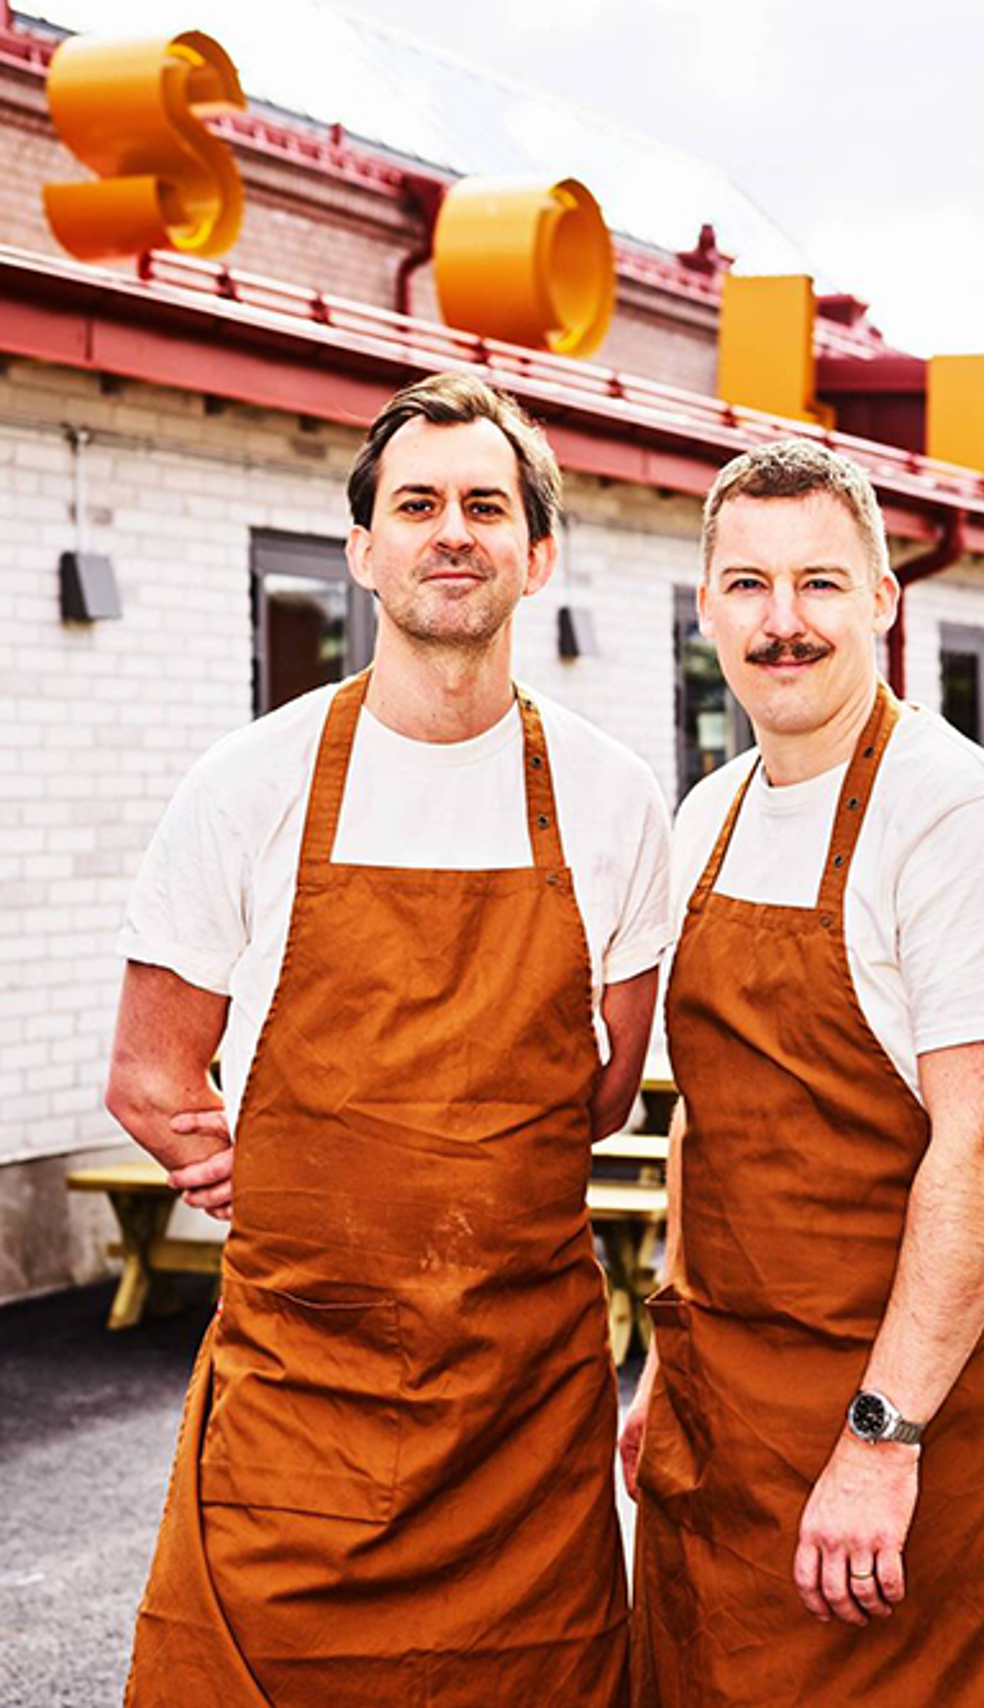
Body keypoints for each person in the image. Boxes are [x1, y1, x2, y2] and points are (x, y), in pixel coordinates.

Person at [106, 372, 671, 1708]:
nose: (452, 530)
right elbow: (145, 1070)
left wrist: (426, 1168)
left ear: (538, 553)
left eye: (487, 503)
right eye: (416, 504)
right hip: (301, 1390)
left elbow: (608, 1086)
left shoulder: (611, 797)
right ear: (363, 550)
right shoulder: (249, 783)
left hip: (521, 1421)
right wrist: (307, 1184)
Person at [623, 439, 984, 1707]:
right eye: (748, 586)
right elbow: (702, 1123)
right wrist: (666, 1352)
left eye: (819, 583)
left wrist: (881, 1442)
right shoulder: (704, 815)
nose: (782, 623)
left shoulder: (959, 818)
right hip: (730, 1412)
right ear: (704, 604)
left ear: (882, 597)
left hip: (901, 1422)